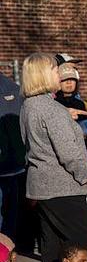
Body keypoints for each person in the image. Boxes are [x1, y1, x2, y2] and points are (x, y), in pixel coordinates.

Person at [19, 53, 87, 262]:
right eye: (55, 70)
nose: (60, 74)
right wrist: (85, 177)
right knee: (83, 247)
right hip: (63, 188)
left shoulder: (28, 106)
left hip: (42, 187)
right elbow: (69, 154)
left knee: (52, 248)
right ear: (43, 75)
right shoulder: (52, 109)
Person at [0, 70, 28, 252]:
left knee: (9, 220)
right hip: (12, 164)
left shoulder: (12, 90)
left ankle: (5, 259)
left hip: (12, 166)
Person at [53, 63, 87, 147]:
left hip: (82, 150)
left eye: (72, 79)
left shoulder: (84, 105)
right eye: (64, 79)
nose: (69, 82)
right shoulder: (53, 105)